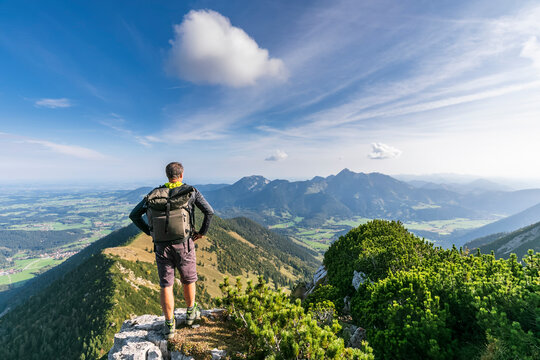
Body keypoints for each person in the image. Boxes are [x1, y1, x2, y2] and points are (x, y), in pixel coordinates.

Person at [129, 161, 214, 338]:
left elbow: (134, 215)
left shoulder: (154, 194)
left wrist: (151, 232)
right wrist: (201, 233)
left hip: (161, 246)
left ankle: (169, 325)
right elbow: (209, 212)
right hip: (184, 243)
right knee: (189, 279)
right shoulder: (190, 192)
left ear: (167, 175)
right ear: (181, 175)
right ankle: (191, 313)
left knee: (166, 284)